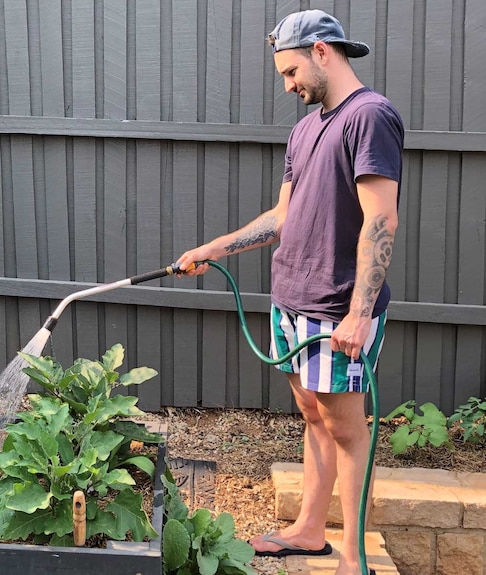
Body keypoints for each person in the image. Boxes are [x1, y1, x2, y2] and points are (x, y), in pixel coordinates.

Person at [176, 9, 403, 575]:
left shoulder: (370, 117)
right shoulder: (305, 129)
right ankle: (307, 528)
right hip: (292, 298)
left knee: (349, 431)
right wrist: (215, 248)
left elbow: (382, 221)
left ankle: (352, 557)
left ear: (322, 51)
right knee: (312, 414)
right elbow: (283, 215)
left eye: (291, 70)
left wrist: (359, 313)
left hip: (336, 307)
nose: (288, 84)